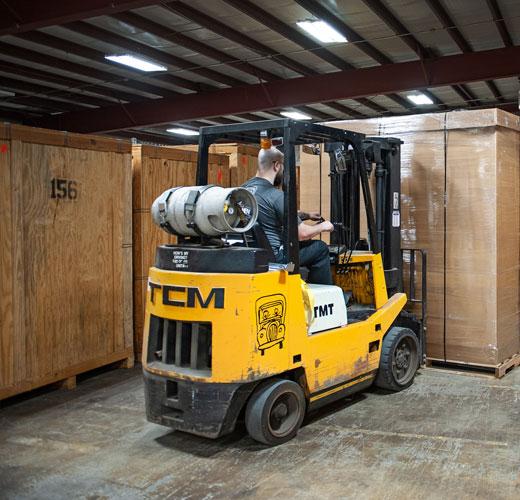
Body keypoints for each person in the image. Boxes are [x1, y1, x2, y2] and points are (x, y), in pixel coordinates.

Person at [242, 146, 334, 285]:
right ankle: (320, 298)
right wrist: (323, 226)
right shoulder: (276, 196)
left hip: (250, 257)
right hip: (278, 263)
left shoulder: (242, 191)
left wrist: (306, 215)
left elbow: (270, 213)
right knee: (320, 248)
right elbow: (302, 234)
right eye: (283, 167)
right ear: (277, 166)